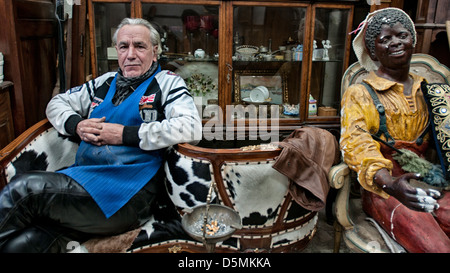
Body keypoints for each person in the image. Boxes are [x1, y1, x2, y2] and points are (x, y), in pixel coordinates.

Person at [0, 18, 202, 252]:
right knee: (23, 245)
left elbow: (190, 127)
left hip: (130, 193)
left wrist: (125, 134)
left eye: (140, 46)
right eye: (124, 46)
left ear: (155, 52)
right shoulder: (104, 83)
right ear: (116, 51)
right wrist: (76, 124)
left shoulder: (168, 83)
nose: (131, 54)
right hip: (85, 182)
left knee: (25, 189)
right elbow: (57, 102)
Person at [340, 8, 450, 252]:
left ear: (413, 39)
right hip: (384, 189)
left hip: (428, 180)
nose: (395, 43)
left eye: (402, 35)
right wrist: (390, 184)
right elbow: (356, 144)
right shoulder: (360, 93)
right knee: (436, 247)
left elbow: (444, 141)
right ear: (373, 51)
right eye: (384, 39)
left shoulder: (433, 92)